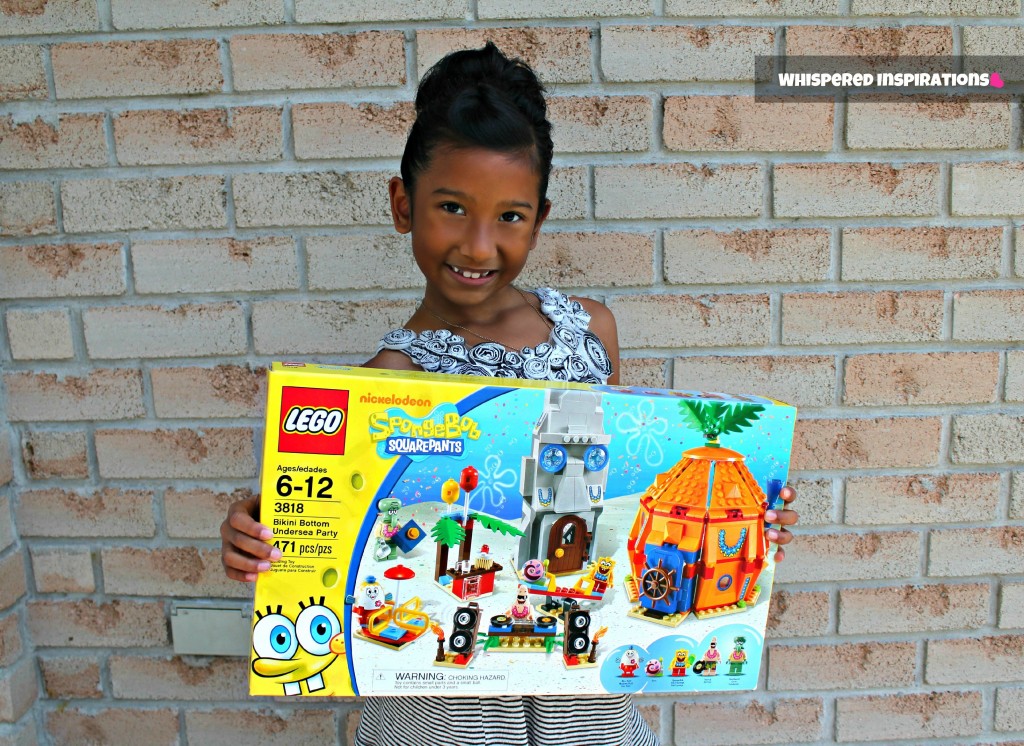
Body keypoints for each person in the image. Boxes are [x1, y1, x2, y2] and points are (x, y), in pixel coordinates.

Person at [220, 42, 800, 746]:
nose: (478, 244)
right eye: (453, 208)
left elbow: (626, 488)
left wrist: (752, 529)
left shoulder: (591, 332)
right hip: (442, 726)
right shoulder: (383, 385)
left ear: (541, 216)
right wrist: (259, 534)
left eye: (510, 216)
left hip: (587, 719)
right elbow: (326, 532)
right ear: (403, 204)